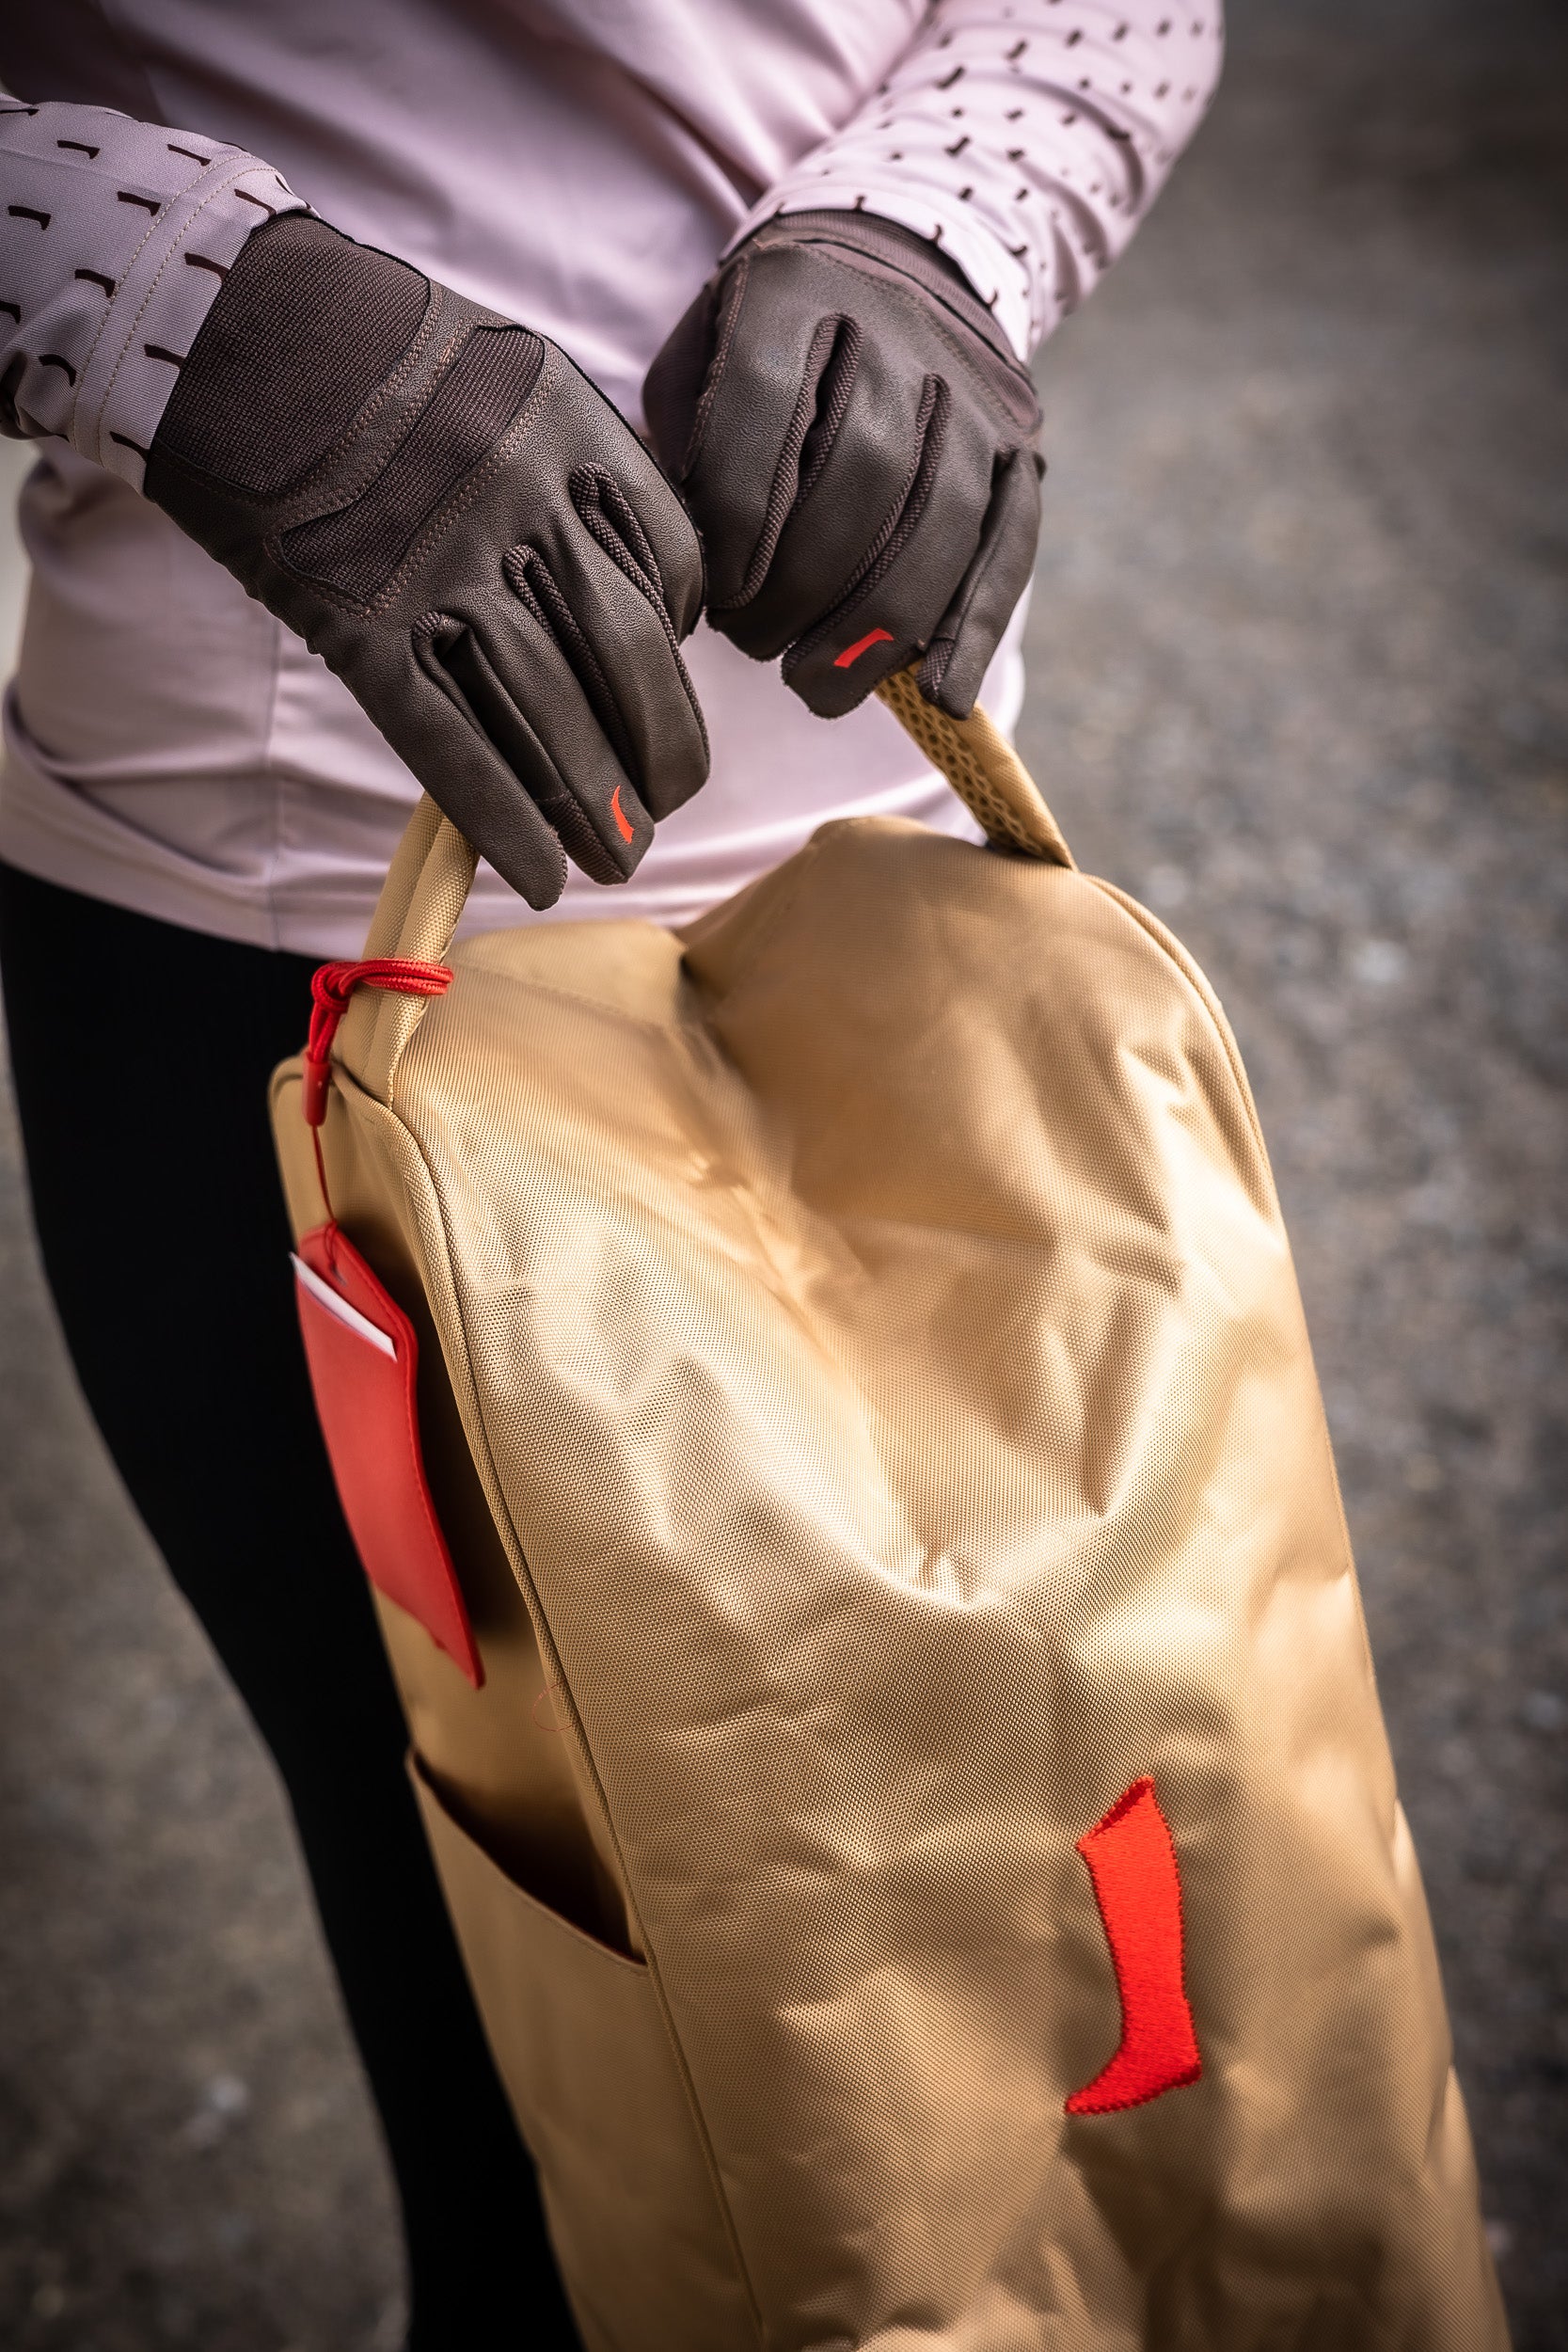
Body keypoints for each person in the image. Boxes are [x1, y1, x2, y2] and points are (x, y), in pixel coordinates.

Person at [0, 8, 1222, 2343]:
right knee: (536, 2066)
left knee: (1079, 1914)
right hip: (303, 966)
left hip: (913, 885)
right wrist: (200, 316)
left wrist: (941, 223)